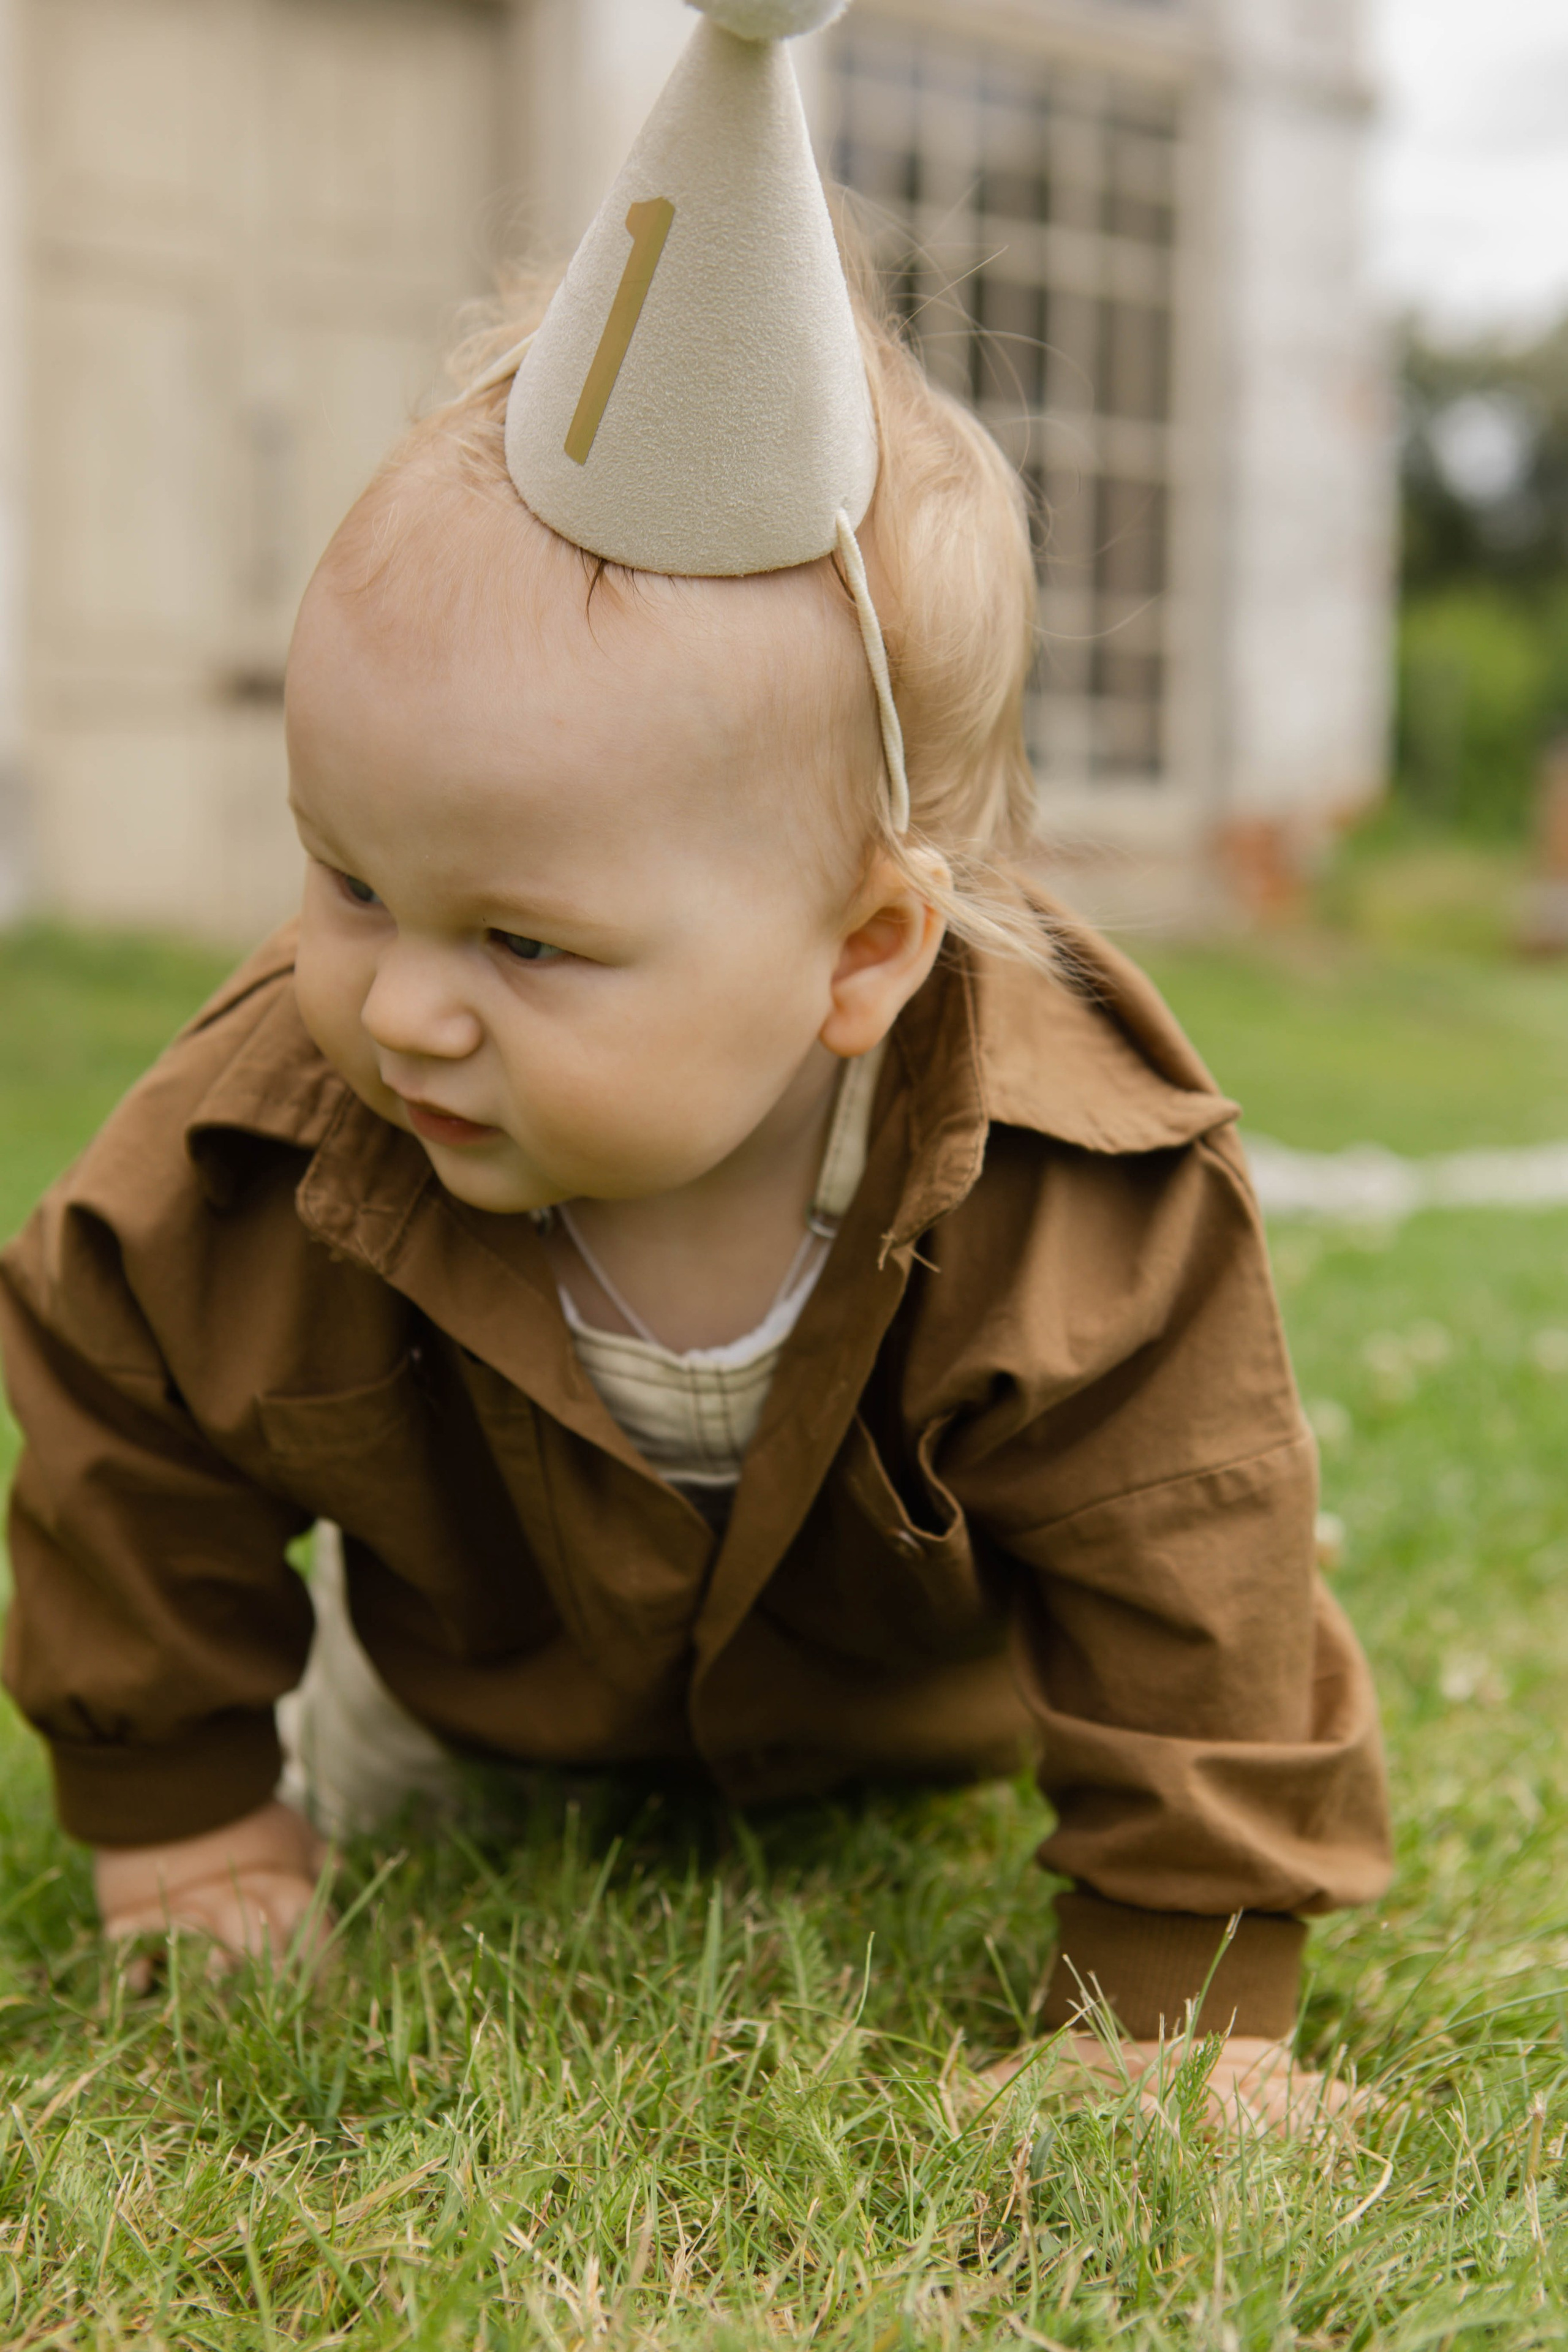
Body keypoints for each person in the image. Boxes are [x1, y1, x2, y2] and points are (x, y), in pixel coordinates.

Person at [0, 0, 1389, 2130]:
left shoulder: (1069, 1176)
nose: (403, 1006)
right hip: (467, 1718)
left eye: (526, 941)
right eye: (350, 878)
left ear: (864, 951)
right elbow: (122, 1419)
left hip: (914, 1715)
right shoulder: (264, 1137)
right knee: (376, 1724)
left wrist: (1187, 1993)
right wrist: (189, 1815)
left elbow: (1190, 1548)